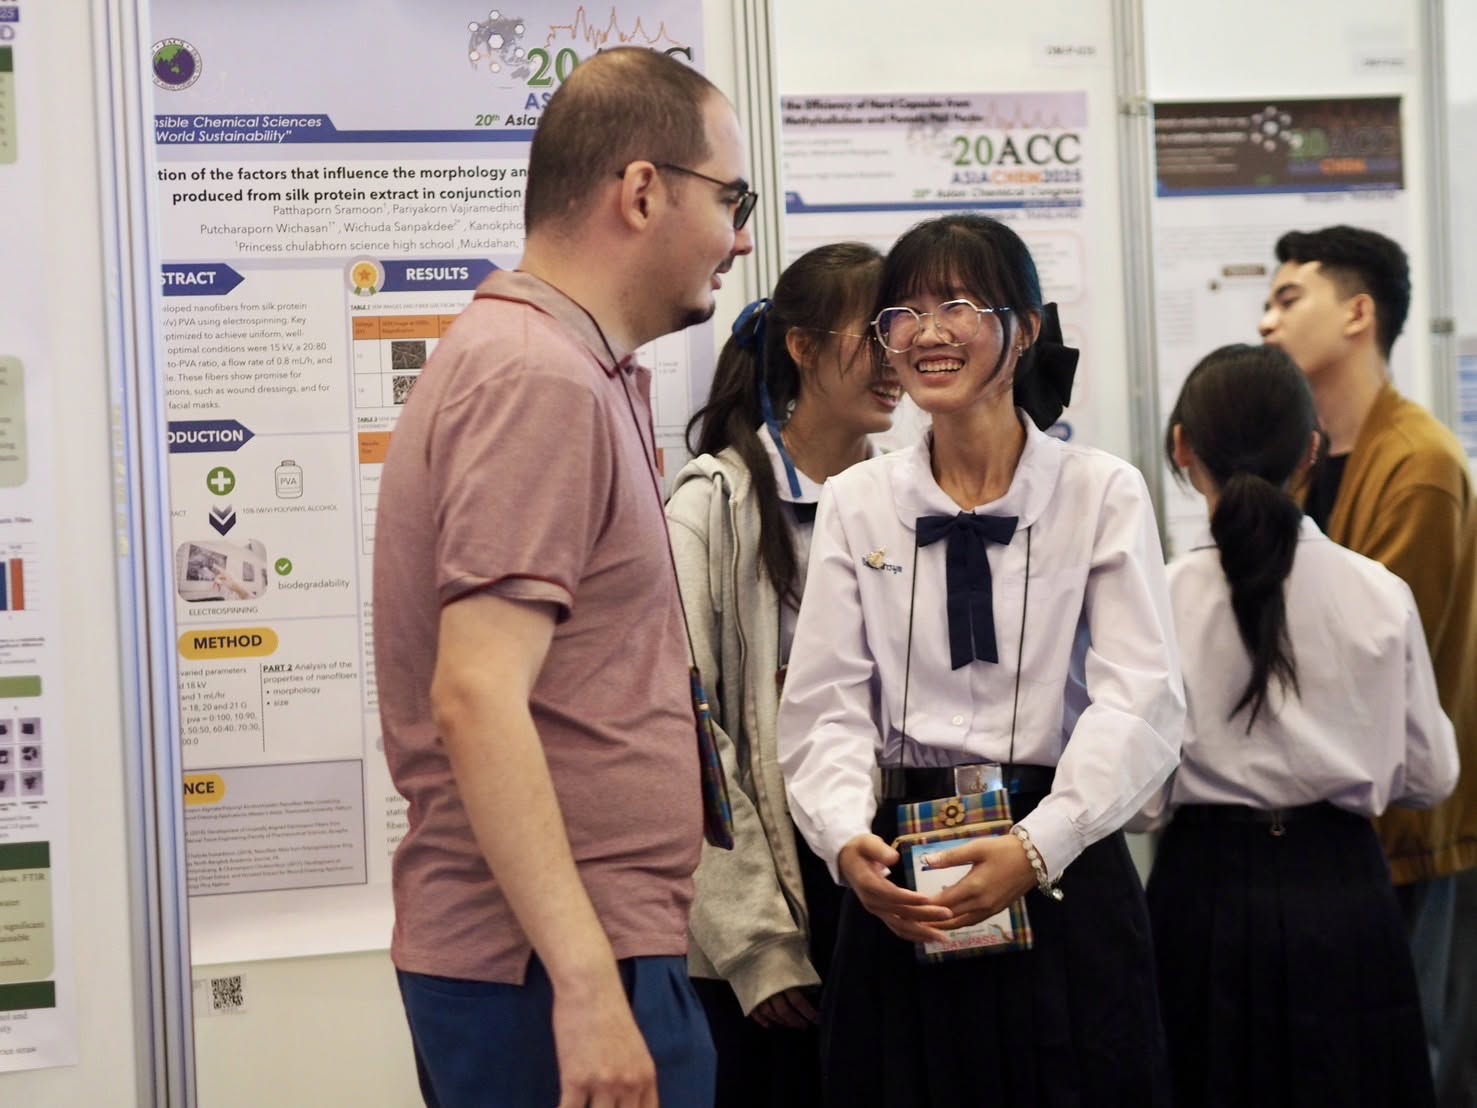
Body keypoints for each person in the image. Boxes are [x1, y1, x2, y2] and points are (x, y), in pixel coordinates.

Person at [372, 46, 755, 1108]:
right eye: (731, 200)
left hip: (574, 952)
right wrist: (586, 983)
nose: (741, 237)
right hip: (549, 970)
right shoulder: (536, 375)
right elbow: (476, 692)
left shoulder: (572, 365)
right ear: (643, 192)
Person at [776, 213, 1184, 1106]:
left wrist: (1040, 844)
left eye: (956, 304)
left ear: (1024, 328)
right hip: (902, 869)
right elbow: (825, 705)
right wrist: (844, 841)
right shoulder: (855, 501)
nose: (927, 332)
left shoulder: (1099, 492)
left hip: (1060, 857)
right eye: (904, 312)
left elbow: (1139, 702)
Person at [1141, 342, 1459, 1106]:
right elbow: (1430, 776)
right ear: (1311, 450)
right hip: (1343, 894)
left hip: (1200, 894)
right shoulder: (1377, 593)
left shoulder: (1156, 599)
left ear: (1181, 447)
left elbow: (1140, 800)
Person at [666, 242, 895, 1107]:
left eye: (905, 329)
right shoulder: (711, 507)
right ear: (802, 347)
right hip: (776, 904)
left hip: (891, 874)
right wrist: (756, 944)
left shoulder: (908, 500)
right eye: (876, 333)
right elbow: (684, 736)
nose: (899, 356)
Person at [1259, 225, 1477, 1104]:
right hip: (1331, 829)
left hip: (1408, 826)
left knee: (1414, 1058)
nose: (1266, 322)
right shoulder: (1303, 459)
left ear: (1357, 313)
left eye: (1287, 299)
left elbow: (1370, 662)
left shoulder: (1417, 463)